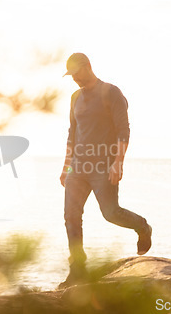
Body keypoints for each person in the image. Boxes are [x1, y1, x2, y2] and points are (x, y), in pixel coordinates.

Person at [59, 53, 152, 288]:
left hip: (103, 166)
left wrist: (118, 162)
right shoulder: (75, 98)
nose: (74, 78)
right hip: (78, 167)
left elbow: (123, 130)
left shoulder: (111, 93)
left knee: (110, 213)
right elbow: (72, 133)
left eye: (77, 73)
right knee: (71, 216)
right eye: (71, 75)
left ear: (88, 67)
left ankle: (142, 226)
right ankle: (78, 270)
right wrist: (66, 166)